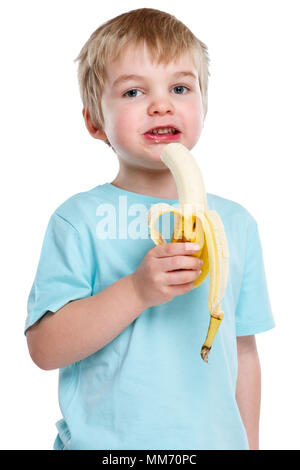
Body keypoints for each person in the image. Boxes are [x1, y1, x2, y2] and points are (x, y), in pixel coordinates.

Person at [25, 8, 275, 450]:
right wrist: (137, 290)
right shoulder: (78, 219)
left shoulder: (236, 224)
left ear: (203, 104)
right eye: (134, 91)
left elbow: (243, 352)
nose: (162, 104)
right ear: (94, 122)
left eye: (180, 88)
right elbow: (45, 349)